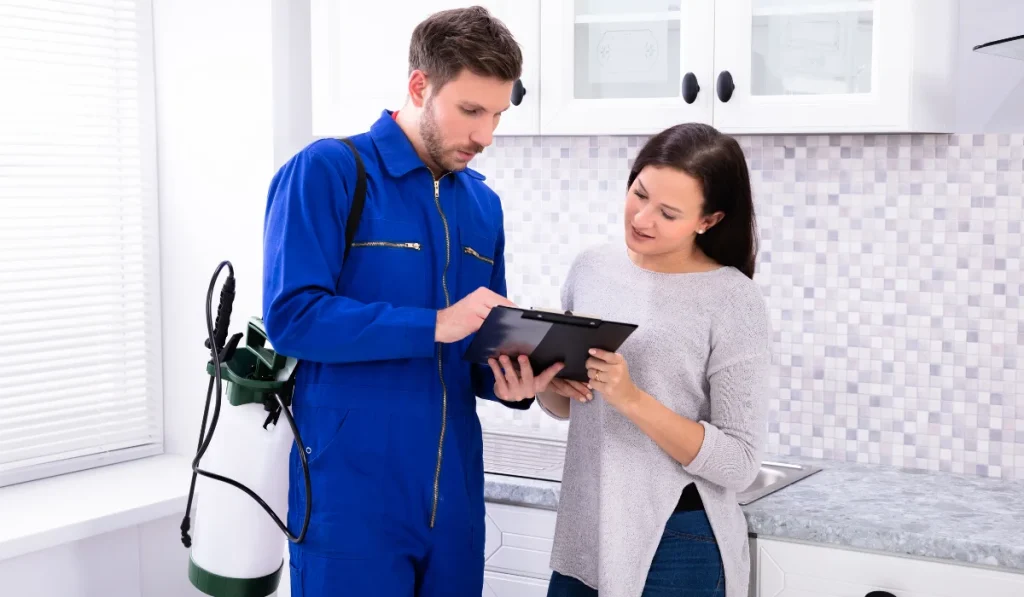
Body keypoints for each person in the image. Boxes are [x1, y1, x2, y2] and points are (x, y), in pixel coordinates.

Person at [261, 7, 561, 597]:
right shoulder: (328, 171)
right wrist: (433, 325)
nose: (485, 136)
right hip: (349, 501)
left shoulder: (482, 204)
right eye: (471, 111)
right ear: (419, 86)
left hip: (454, 506)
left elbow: (470, 348)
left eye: (497, 114)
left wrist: (511, 379)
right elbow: (292, 318)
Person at [537, 122, 771, 597]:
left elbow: (740, 463)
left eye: (667, 212)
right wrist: (547, 385)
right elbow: (568, 406)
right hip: (586, 530)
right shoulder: (591, 268)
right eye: (639, 194)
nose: (642, 219)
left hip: (677, 541)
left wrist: (631, 398)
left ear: (708, 220)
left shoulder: (732, 299)